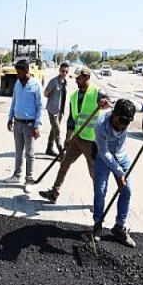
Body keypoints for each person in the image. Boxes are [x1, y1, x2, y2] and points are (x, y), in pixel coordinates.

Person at [91, 97, 143, 248]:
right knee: (100, 191)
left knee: (127, 190)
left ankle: (120, 227)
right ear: (113, 114)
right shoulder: (101, 124)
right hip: (102, 157)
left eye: (125, 124)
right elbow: (105, 153)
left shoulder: (129, 108)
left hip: (121, 155)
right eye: (118, 122)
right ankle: (97, 224)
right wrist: (120, 173)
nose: (121, 126)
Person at [39, 67, 109, 203]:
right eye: (76, 78)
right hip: (77, 138)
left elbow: (111, 104)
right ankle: (54, 192)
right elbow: (71, 118)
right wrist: (68, 137)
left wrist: (106, 103)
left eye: (78, 78)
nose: (76, 80)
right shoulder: (74, 96)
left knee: (94, 172)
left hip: (92, 141)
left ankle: (99, 201)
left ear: (87, 77)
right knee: (64, 163)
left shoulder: (98, 93)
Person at [5, 59, 43, 192]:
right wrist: (10, 118)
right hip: (17, 123)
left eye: (20, 73)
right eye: (17, 72)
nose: (17, 75)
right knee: (18, 151)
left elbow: (40, 107)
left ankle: (29, 179)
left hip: (30, 125)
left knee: (30, 153)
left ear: (27, 71)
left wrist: (37, 126)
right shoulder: (17, 83)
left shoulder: (36, 85)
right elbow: (14, 101)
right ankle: (17, 175)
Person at [43, 62, 69, 157]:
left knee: (53, 129)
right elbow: (45, 93)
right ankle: (62, 154)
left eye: (66, 71)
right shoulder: (54, 82)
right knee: (57, 131)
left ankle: (49, 148)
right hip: (53, 110)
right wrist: (52, 100)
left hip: (60, 112)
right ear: (59, 70)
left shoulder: (65, 83)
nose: (64, 73)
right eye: (63, 71)